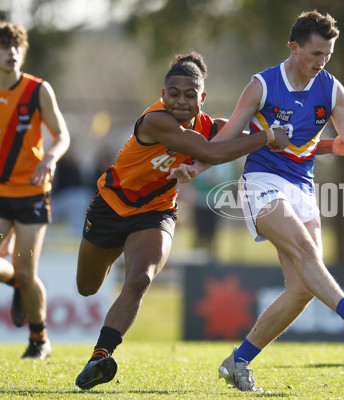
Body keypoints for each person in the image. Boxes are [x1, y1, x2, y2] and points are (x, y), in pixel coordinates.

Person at [172, 10, 344, 392]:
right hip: (261, 181)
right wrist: (195, 167)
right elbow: (227, 139)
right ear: (294, 47)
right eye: (316, 54)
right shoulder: (261, 86)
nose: (321, 63)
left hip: (303, 187)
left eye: (328, 55)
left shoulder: (332, 90)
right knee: (304, 248)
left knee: (301, 289)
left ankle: (238, 362)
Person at [74, 51, 289, 390]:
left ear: (202, 98)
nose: (181, 101)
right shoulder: (155, 120)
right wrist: (268, 137)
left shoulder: (210, 126)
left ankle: (100, 356)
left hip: (156, 213)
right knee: (87, 287)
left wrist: (322, 144)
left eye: (190, 95)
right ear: (162, 95)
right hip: (110, 208)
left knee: (140, 278)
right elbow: (214, 152)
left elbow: (251, 137)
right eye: (173, 93)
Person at [0, 21, 71, 360]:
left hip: (31, 194)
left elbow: (62, 135)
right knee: (21, 276)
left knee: (28, 272)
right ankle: (16, 283)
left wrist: (51, 159)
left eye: (15, 46)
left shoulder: (38, 90)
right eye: (3, 46)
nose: (10, 52)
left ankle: (39, 339)